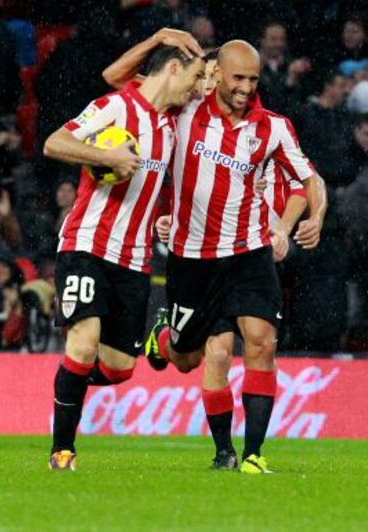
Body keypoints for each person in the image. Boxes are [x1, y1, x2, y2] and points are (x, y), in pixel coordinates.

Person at [103, 34, 326, 474]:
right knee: (192, 358)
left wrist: (315, 216)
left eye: (253, 78)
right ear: (217, 73)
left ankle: (248, 455)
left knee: (261, 343)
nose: (246, 87)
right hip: (192, 260)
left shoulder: (272, 127)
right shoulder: (182, 111)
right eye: (238, 77)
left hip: (249, 253)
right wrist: (159, 40)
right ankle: (163, 340)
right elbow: (115, 80)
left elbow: (310, 177)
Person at [43, 28, 205, 470]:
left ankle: (67, 384)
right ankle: (62, 450)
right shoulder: (115, 106)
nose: (195, 89)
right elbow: (54, 142)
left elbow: (164, 187)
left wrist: (166, 215)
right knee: (84, 340)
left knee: (117, 368)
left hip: (134, 259)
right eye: (192, 78)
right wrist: (106, 158)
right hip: (88, 244)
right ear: (173, 68)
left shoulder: (170, 127)